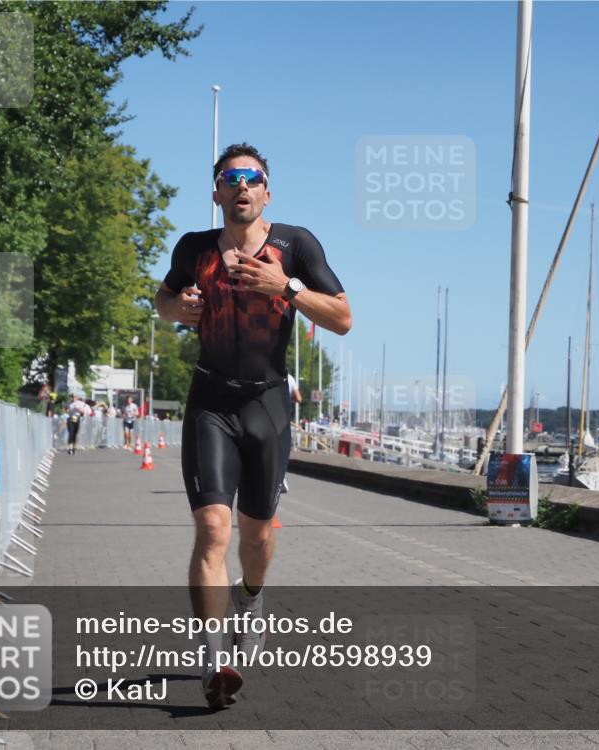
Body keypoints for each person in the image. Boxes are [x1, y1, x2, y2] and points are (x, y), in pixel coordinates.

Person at [155, 143, 351, 709]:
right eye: (230, 177)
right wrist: (176, 309)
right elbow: (163, 298)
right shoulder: (194, 248)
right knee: (213, 531)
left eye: (253, 177)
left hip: (267, 404)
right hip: (210, 400)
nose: (242, 185)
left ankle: (254, 598)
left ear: (267, 191)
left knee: (257, 536)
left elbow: (343, 318)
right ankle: (216, 659)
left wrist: (285, 288)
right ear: (216, 191)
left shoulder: (295, 245)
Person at [281, 373, 303, 494]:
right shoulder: (289, 378)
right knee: (283, 448)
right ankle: (280, 476)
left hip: (265, 415)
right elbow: (299, 398)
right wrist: (289, 398)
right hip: (282, 417)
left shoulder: (266, 374)